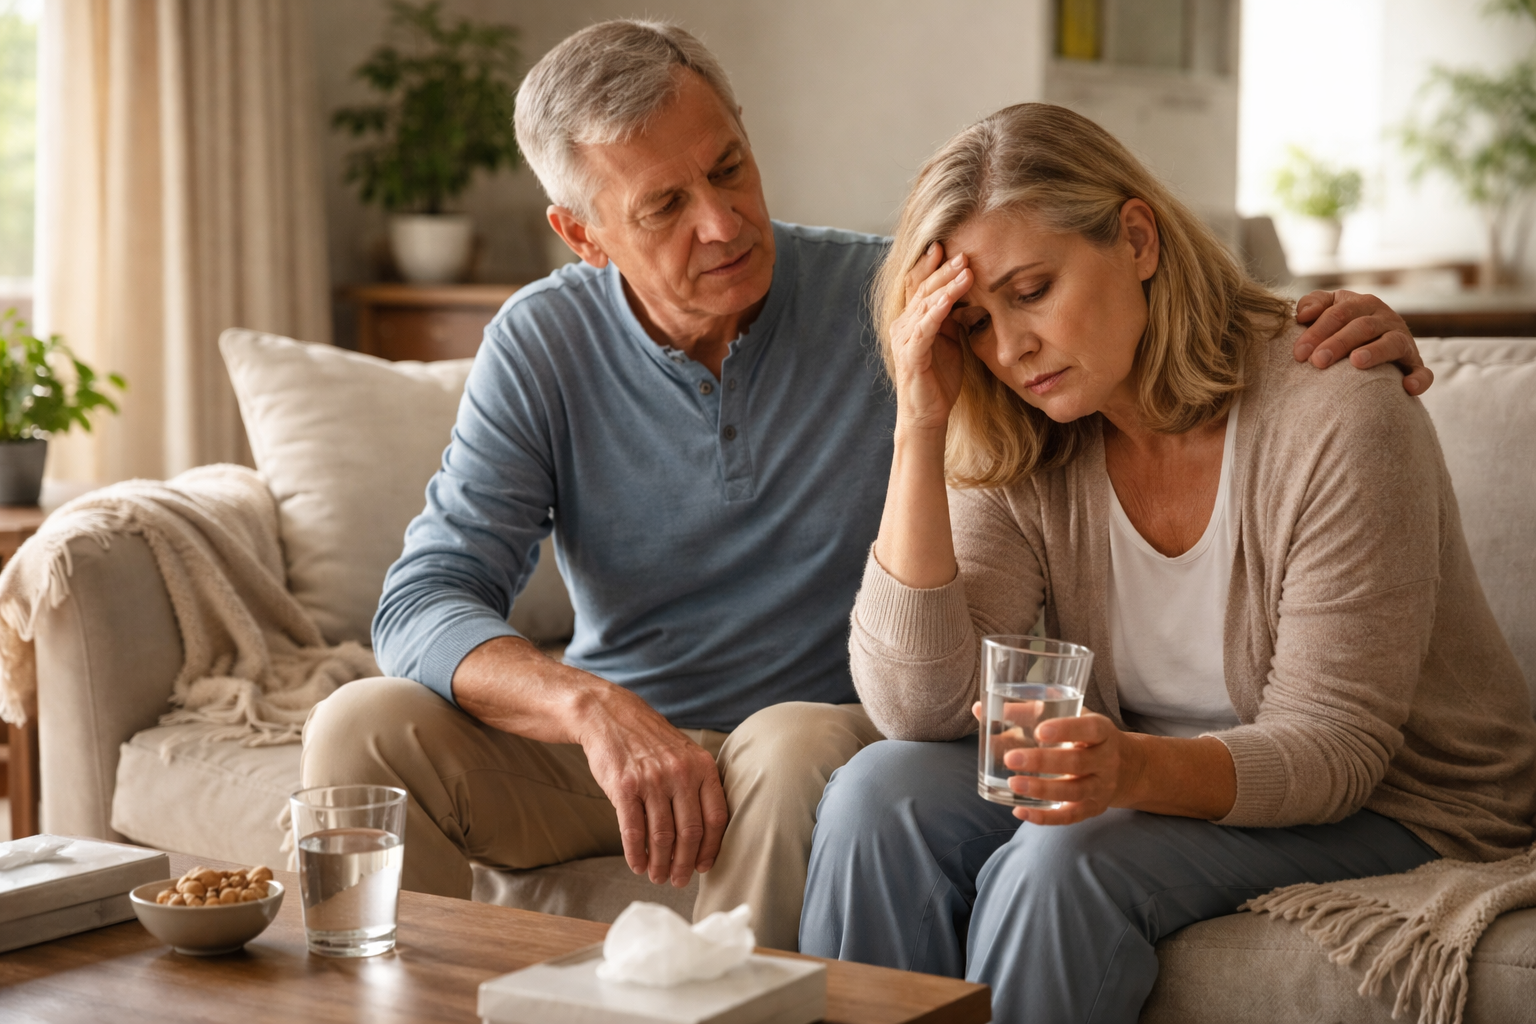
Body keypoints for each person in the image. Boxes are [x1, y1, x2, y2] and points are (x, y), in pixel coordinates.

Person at [301, 23, 1433, 952]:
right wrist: (590, 708)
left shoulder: (900, 300)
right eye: (663, 207)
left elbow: (1128, 299)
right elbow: (422, 600)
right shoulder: (540, 343)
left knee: (803, 751)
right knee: (363, 724)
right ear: (582, 235)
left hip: (812, 728)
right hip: (626, 746)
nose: (723, 221)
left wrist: (1298, 324)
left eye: (729, 166)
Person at [797, 101, 1536, 1017]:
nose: (1011, 346)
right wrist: (920, 422)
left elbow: (1338, 749)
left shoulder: (1335, 412)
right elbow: (918, 706)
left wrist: (1130, 771)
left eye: (1032, 290)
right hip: (1140, 764)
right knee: (880, 794)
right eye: (974, 324)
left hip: (1400, 798)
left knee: (1065, 857)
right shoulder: (1031, 429)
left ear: (1137, 239)